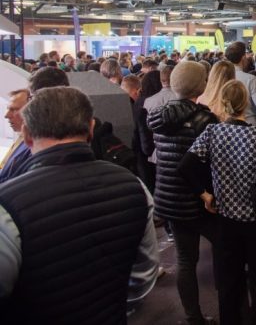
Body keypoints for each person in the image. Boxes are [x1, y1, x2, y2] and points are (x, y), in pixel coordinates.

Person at [0, 86, 159, 322]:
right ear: (91, 128)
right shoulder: (134, 186)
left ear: (26, 134)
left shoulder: (7, 204)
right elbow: (145, 272)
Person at [180, 81, 256, 325]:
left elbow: (184, 167)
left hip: (226, 220)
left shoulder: (212, 132)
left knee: (228, 282)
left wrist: (205, 195)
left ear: (223, 103)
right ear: (245, 103)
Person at [147, 61, 219, 325]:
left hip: (169, 197)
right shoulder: (205, 119)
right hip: (201, 198)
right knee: (225, 249)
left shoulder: (157, 116)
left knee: (185, 260)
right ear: (200, 85)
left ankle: (193, 317)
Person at [225, 42, 256, 126]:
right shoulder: (251, 79)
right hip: (249, 126)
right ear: (243, 57)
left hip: (226, 126)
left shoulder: (222, 78)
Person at [0, 89, 30, 182]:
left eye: (14, 109)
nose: (6, 115)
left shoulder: (33, 145)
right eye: (8, 109)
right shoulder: (21, 137)